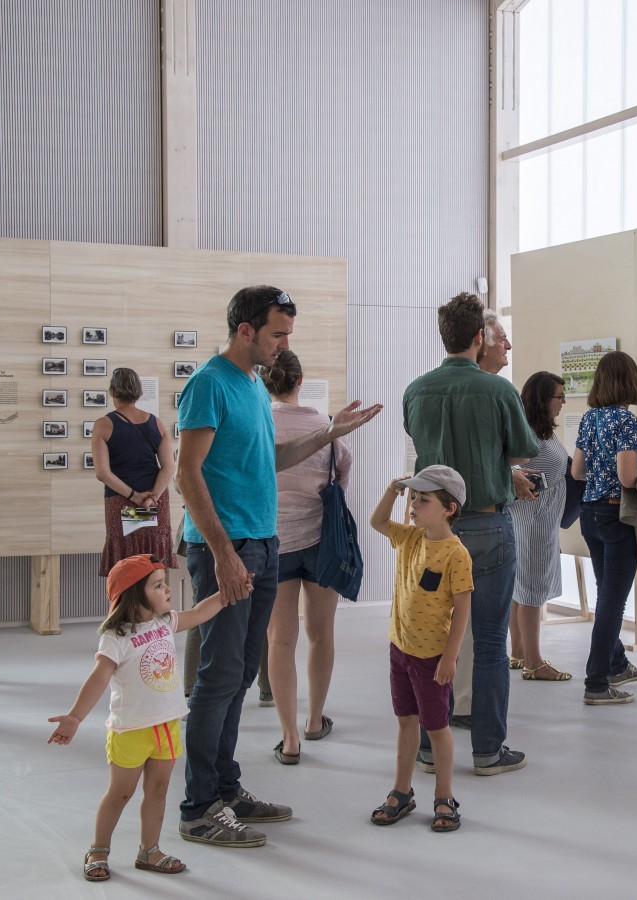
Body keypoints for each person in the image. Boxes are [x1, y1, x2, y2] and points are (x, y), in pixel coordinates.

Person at [176, 284, 380, 849]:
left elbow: (271, 460)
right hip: (230, 547)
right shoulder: (208, 385)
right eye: (277, 333)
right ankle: (198, 808)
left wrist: (328, 434)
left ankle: (226, 787)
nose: (284, 344)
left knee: (241, 675)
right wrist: (222, 555)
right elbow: (187, 475)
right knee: (217, 679)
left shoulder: (249, 387)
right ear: (246, 330)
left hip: (262, 546)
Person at [403, 292, 539, 776]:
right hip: (487, 521)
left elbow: (419, 445)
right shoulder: (497, 391)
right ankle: (487, 750)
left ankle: (426, 746)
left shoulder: (417, 390)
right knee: (487, 640)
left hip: (436, 530)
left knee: (431, 640)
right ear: (479, 337)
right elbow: (523, 450)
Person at [46, 554, 233, 881]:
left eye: (165, 583)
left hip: (166, 725)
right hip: (131, 730)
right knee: (120, 793)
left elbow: (201, 613)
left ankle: (150, 850)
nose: (167, 590)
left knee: (158, 790)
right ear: (134, 594)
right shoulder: (116, 637)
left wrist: (227, 593)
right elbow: (99, 678)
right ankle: (99, 849)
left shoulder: (165, 622)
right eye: (158, 585)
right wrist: (75, 717)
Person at [367, 467, 473, 832]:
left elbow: (462, 608)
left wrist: (450, 655)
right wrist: (391, 489)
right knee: (405, 721)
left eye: (423, 500)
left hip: (432, 657)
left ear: (449, 508)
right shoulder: (410, 538)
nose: (413, 505)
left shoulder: (456, 555)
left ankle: (444, 795)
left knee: (437, 726)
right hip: (400, 648)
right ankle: (401, 790)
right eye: (413, 497)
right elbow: (377, 520)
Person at [261, 350, 352, 764]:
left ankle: (289, 737)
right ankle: (315, 720)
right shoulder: (324, 426)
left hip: (274, 541)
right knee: (322, 633)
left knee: (280, 639)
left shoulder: (261, 423)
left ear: (266, 382)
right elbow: (342, 474)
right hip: (321, 542)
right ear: (301, 381)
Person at [571, 351, 637, 705]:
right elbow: (628, 476)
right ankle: (595, 683)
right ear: (630, 380)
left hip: (590, 514)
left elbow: (577, 471)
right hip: (617, 516)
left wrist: (601, 476)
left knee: (605, 592)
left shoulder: (589, 419)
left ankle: (617, 664)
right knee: (612, 602)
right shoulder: (626, 421)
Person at [509, 372, 572, 681]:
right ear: (543, 399)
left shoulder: (540, 430)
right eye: (559, 396)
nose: (563, 402)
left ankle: (519, 652)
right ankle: (534, 662)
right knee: (531, 590)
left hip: (539, 517)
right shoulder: (529, 434)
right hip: (534, 518)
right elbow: (513, 470)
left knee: (521, 589)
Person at [92, 368, 175, 576]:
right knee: (153, 564)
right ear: (138, 391)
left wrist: (135, 497)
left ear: (113, 391)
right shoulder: (156, 423)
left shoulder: (104, 425)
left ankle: (126, 608)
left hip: (122, 502)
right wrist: (151, 498)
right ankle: (155, 607)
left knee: (126, 564)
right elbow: (168, 467)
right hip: (155, 502)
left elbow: (102, 472)